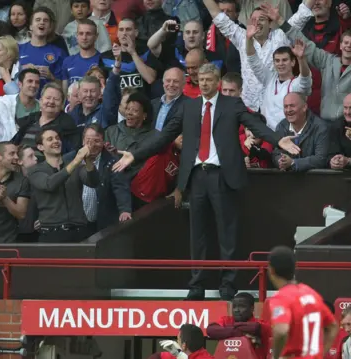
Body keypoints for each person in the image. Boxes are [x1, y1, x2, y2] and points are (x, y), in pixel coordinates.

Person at [113, 63, 300, 300]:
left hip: (223, 176)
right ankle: (197, 285)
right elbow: (165, 136)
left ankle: (228, 285)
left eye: (208, 79)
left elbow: (255, 126)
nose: (203, 83)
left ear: (217, 82)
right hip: (196, 176)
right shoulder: (188, 107)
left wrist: (277, 140)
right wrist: (135, 154)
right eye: (200, 79)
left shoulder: (231, 104)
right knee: (198, 235)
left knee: (227, 233)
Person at [266, 246, 339, 359]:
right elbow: (332, 326)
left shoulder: (280, 298)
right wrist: (320, 354)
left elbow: (281, 330)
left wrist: (275, 357)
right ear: (295, 267)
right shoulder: (311, 293)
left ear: (271, 270)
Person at [28, 129, 99, 242]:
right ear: (41, 147)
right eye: (50, 139)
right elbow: (50, 184)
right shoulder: (35, 171)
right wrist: (77, 160)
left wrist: (89, 162)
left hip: (79, 231)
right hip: (52, 233)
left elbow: (93, 182)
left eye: (57, 138)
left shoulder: (75, 167)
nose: (56, 141)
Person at [207, 293, 272, 359]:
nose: (236, 310)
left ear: (252, 308)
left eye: (241, 306)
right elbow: (211, 330)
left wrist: (227, 330)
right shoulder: (226, 320)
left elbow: (254, 327)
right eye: (234, 306)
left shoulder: (259, 323)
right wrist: (240, 333)